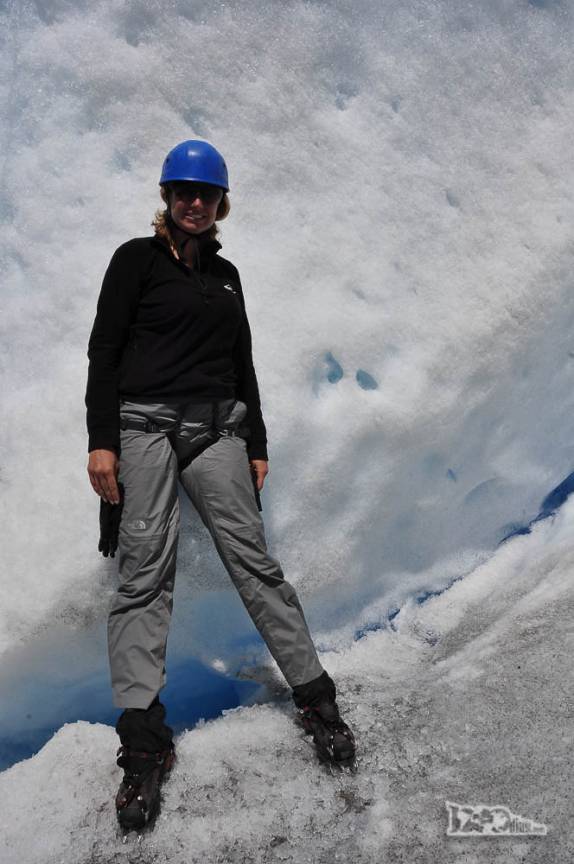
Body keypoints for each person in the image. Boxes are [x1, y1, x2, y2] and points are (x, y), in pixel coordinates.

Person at [85, 139, 357, 831]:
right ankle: (144, 747)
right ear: (167, 198)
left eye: (204, 194)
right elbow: (105, 352)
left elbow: (243, 362)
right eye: (182, 192)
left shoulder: (227, 275)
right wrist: (102, 441)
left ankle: (316, 698)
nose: (193, 203)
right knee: (145, 571)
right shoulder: (135, 262)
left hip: (217, 429)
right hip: (143, 425)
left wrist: (255, 441)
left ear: (220, 202)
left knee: (254, 561)